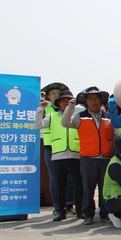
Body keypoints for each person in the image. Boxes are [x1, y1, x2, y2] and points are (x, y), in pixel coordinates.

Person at [61, 87, 115, 225]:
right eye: (90, 99)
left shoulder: (108, 117)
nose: (93, 101)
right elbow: (64, 123)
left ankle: (105, 213)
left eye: (96, 98)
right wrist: (70, 106)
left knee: (105, 189)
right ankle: (88, 215)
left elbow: (115, 134)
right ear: (85, 101)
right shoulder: (80, 116)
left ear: (101, 100)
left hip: (106, 158)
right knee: (88, 188)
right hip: (88, 159)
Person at [35, 90, 83, 222]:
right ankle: (60, 211)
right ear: (59, 103)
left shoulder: (78, 116)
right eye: (63, 101)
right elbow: (38, 125)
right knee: (59, 184)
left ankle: (80, 210)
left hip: (76, 153)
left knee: (78, 184)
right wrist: (40, 109)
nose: (66, 103)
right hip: (58, 154)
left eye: (69, 100)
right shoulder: (51, 116)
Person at [39, 81, 70, 211]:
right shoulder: (45, 109)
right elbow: (38, 124)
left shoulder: (69, 108)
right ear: (48, 96)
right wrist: (40, 108)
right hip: (50, 146)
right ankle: (57, 205)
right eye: (53, 93)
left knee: (70, 177)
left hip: (68, 146)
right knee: (54, 177)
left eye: (58, 93)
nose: (56, 95)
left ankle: (69, 203)